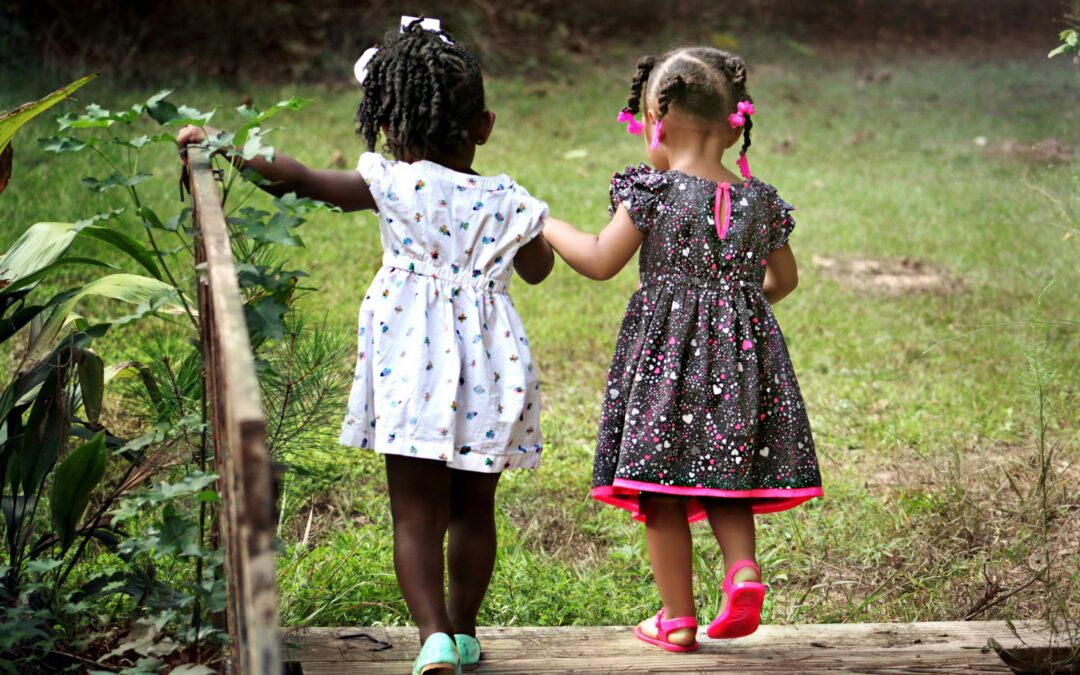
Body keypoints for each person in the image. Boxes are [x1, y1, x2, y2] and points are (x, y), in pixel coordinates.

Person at [179, 18, 553, 675]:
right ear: (485, 126)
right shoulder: (505, 198)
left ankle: (432, 635)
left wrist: (225, 147)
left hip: (412, 365)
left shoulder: (389, 182)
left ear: (386, 125)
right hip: (491, 374)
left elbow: (298, 178)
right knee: (474, 511)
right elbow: (540, 268)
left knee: (415, 514)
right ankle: (465, 631)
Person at [543, 46, 823, 652]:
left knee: (662, 489)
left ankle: (677, 618)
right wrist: (739, 313)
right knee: (727, 474)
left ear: (657, 124)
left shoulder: (654, 193)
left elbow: (598, 259)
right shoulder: (762, 202)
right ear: (733, 123)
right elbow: (784, 281)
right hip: (741, 366)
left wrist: (545, 223)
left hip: (665, 368)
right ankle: (742, 570)